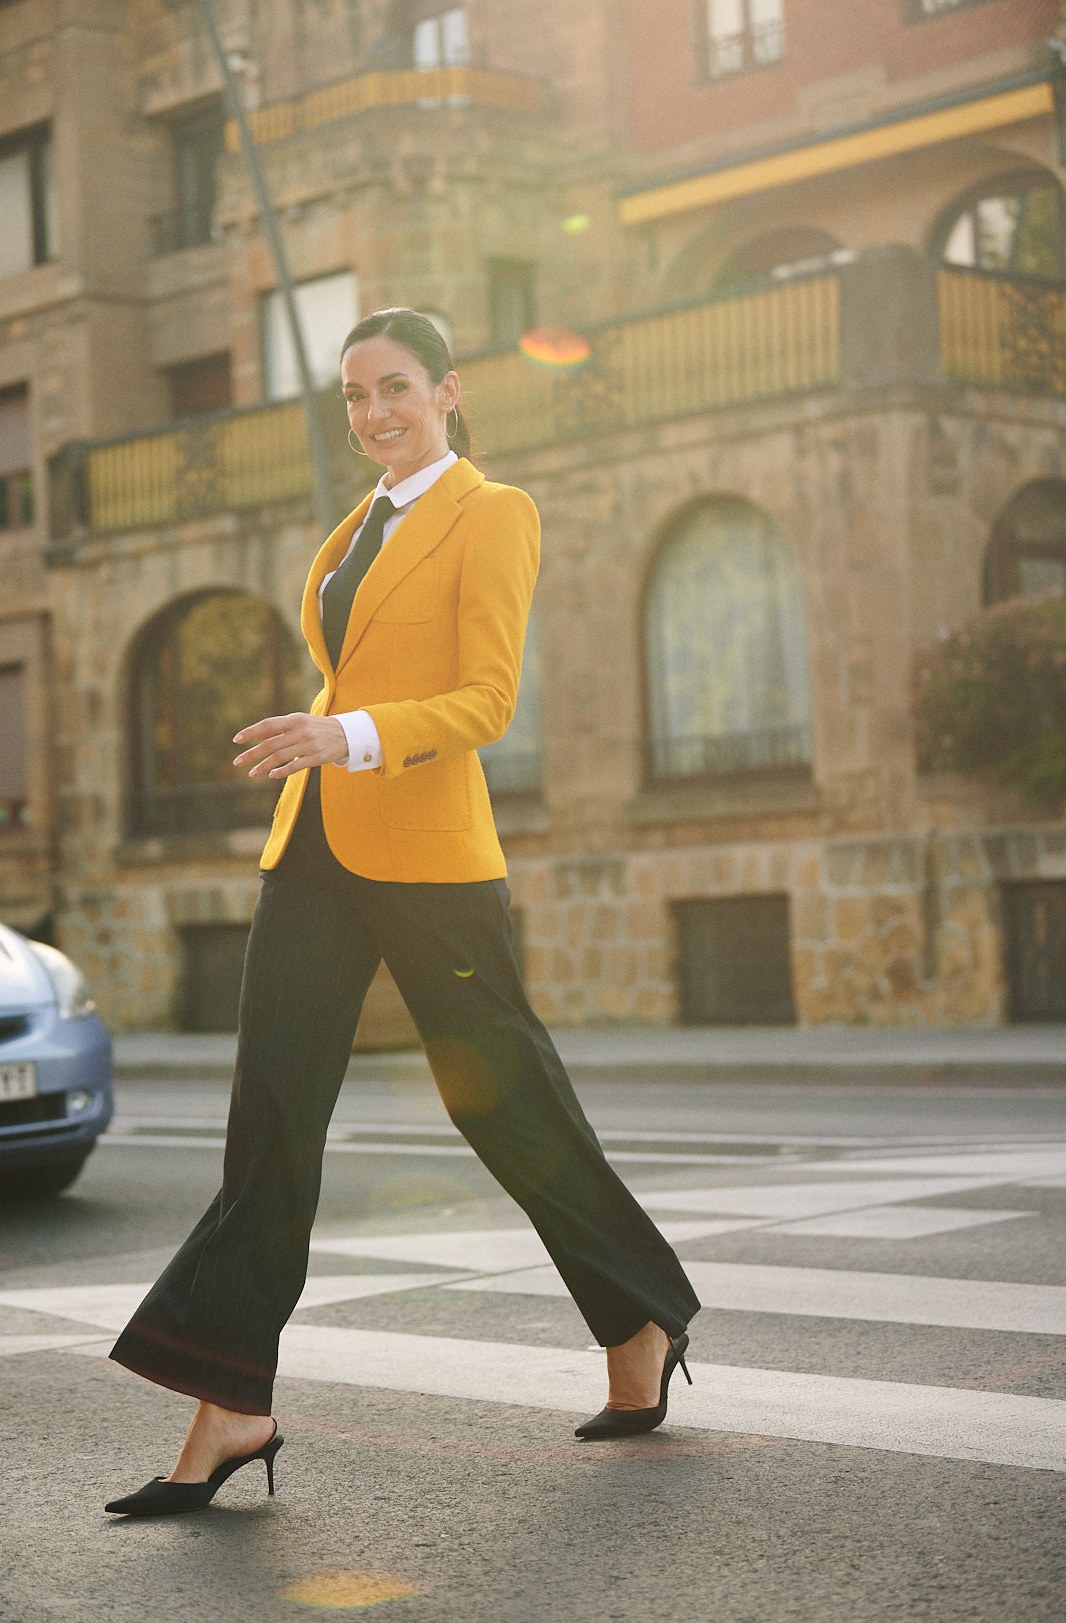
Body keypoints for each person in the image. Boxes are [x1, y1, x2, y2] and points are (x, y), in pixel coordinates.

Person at [105, 308, 700, 1517]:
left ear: (448, 389)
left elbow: (485, 700)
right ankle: (232, 1406)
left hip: (431, 858)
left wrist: (348, 734)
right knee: (269, 1117)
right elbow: (356, 667)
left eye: (394, 389)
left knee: (510, 1105)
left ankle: (639, 1315)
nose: (375, 413)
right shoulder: (352, 528)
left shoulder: (494, 512)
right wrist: (321, 733)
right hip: (316, 849)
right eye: (355, 397)